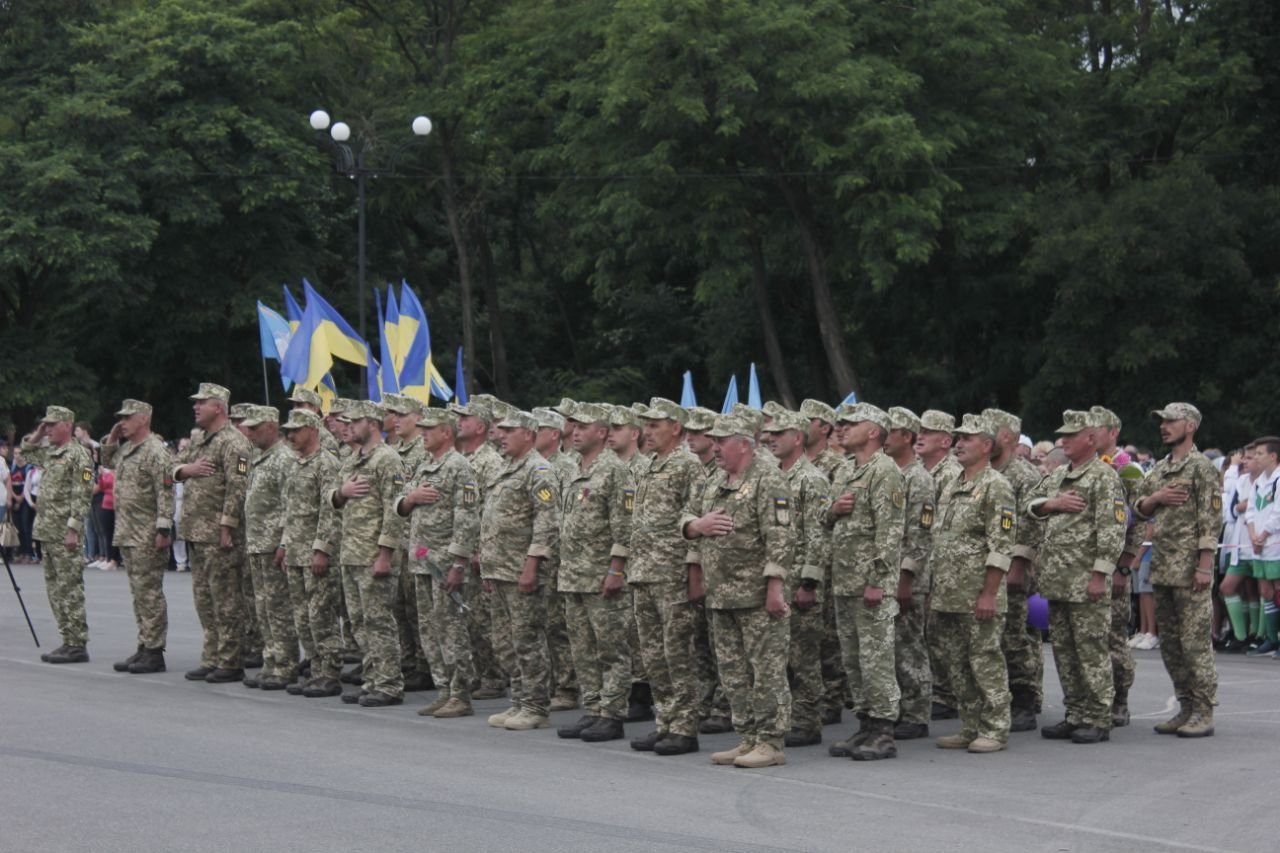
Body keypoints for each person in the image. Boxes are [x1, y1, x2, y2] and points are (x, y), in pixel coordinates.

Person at [682, 411, 795, 768]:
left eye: (721, 441)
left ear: (743, 444)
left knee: (766, 670)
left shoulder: (767, 479)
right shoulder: (713, 480)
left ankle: (771, 741)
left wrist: (775, 587)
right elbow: (684, 515)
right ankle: (747, 737)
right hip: (722, 594)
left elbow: (782, 538)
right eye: (712, 441)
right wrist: (695, 526)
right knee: (732, 671)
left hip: (756, 595)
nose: (714, 447)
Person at [1028, 410, 1127, 745]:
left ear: (1090, 438)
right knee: (1065, 652)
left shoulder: (1103, 476)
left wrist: (1101, 574)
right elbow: (1031, 505)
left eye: (1071, 435)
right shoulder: (1059, 477)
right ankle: (1075, 713)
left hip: (1085, 580)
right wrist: (1052, 504)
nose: (1063, 441)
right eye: (1062, 436)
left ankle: (1098, 716)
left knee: (1091, 651)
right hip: (1057, 579)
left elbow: (1112, 531)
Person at [930, 414, 1017, 753]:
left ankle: (995, 727)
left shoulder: (996, 485)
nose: (959, 443)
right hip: (949, 593)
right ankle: (970, 725)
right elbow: (942, 540)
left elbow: (1001, 545)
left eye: (967, 438)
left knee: (984, 659)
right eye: (958, 438)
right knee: (957, 662)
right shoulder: (953, 483)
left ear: (986, 445)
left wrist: (989, 593)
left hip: (978, 593)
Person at [1133, 403, 1220, 738]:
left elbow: (1210, 520)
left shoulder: (1201, 467)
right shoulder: (1159, 469)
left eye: (1171, 421)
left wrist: (1204, 567)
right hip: (1163, 567)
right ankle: (1185, 706)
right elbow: (1139, 510)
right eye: (1162, 422)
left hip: (1189, 570)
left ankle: (1204, 710)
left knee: (1195, 644)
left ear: (1191, 426)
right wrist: (1155, 498)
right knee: (1170, 645)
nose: (1164, 427)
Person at [825, 403, 906, 761]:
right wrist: (833, 510)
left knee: (876, 659)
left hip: (869, 583)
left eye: (851, 424)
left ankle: (884, 729)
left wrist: (878, 579)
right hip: (844, 580)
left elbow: (890, 532)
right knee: (854, 658)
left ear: (873, 431)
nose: (842, 430)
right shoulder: (845, 470)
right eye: (840, 425)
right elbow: (823, 520)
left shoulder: (884, 471)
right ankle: (865, 725)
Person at [627, 398, 707, 756]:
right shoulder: (649, 465)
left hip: (672, 573)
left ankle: (685, 727)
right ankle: (665, 722)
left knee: (678, 654)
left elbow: (695, 519)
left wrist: (693, 571)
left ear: (676, 427)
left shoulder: (688, 465)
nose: (648, 431)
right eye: (646, 425)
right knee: (653, 655)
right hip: (644, 572)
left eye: (655, 425)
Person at [554, 402, 635, 743]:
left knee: (611, 647)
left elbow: (625, 525)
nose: (575, 432)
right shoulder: (573, 467)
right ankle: (593, 708)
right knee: (582, 648)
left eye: (583, 427)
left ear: (602, 432)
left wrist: (616, 570)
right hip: (573, 574)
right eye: (574, 427)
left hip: (602, 575)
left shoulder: (614, 471)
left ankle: (613, 713)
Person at [480, 410, 560, 731]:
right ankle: (518, 701)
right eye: (501, 430)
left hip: (521, 570)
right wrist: (487, 566)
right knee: (505, 642)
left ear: (528, 434)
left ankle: (535, 705)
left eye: (509, 430)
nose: (501, 435)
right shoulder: (505, 467)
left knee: (527, 640)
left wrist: (532, 565)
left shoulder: (538, 470)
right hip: (499, 569)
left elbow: (547, 522)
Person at [397, 407, 480, 718]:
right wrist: (411, 498)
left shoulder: (458, 467)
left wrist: (458, 563)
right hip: (421, 559)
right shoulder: (424, 466)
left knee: (451, 629)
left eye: (429, 428)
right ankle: (443, 689)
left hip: (443, 563)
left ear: (446, 433)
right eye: (422, 428)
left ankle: (460, 693)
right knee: (429, 628)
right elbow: (402, 503)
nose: (423, 433)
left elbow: (467, 518)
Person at [328, 401, 407, 708]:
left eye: (354, 421)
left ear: (372, 424)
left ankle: (388, 683)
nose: (348, 426)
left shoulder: (387, 459)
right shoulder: (351, 459)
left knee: (379, 621)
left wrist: (385, 554)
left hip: (374, 554)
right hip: (351, 553)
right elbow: (333, 498)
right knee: (359, 622)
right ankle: (372, 679)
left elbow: (395, 510)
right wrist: (341, 493)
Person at [174, 383, 253, 683]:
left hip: (219, 534)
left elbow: (239, 486)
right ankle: (212, 656)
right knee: (204, 599)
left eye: (201, 402)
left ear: (218, 406)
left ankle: (231, 660)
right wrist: (186, 470)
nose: (195, 406)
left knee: (226, 599)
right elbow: (174, 466)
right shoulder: (200, 440)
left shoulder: (234, 442)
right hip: (197, 531)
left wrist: (227, 526)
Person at [762, 410, 832, 748]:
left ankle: (807, 720)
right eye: (770, 433)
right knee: (778, 654)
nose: (771, 438)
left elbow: (818, 534)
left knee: (803, 655)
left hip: (800, 579)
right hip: (775, 577)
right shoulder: (771, 476)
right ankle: (785, 716)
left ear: (799, 438)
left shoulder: (812, 479)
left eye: (780, 433)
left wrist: (809, 583)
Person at [983, 408, 1045, 734]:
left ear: (1006, 436)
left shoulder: (1024, 475)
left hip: (1014, 568)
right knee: (992, 637)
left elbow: (1033, 525)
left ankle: (1024, 700)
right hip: (987, 567)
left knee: (1016, 636)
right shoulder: (985, 472)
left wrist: (1019, 563)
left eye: (988, 432)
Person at [102, 399, 174, 674]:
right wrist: (112, 437)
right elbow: (107, 460)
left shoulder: (156, 451)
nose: (122, 421)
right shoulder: (127, 449)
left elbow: (165, 493)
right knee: (138, 593)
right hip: (127, 531)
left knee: (150, 593)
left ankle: (155, 651)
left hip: (146, 533)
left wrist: (163, 529)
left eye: (127, 417)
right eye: (121, 417)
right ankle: (144, 644)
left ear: (143, 419)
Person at [21, 406, 94, 664]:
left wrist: (73, 529)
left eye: (52, 424)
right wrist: (39, 432)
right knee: (54, 589)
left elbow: (83, 493)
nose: (48, 428)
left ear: (67, 425)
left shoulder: (80, 456)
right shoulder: (51, 452)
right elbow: (26, 453)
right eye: (46, 425)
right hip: (47, 531)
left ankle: (77, 643)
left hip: (65, 533)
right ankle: (67, 639)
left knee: (70, 589)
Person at [278, 409, 343, 698]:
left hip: (315, 554)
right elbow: (288, 510)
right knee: (303, 616)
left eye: (296, 430)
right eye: (288, 430)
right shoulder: (294, 464)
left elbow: (331, 511)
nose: (290, 435)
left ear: (313, 430)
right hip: (295, 551)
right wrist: (283, 545)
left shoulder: (326, 464)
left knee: (321, 616)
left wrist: (322, 549)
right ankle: (315, 668)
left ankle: (329, 672)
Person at [884, 407, 935, 741]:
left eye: (891, 431)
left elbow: (921, 534)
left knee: (908, 645)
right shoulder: (888, 473)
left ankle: (916, 712)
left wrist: (907, 576)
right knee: (890, 647)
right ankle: (898, 706)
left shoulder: (918, 478)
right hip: (886, 574)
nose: (885, 437)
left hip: (908, 578)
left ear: (907, 437)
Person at [241, 406, 300, 690]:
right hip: (257, 543)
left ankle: (286, 664)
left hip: (273, 543)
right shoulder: (259, 457)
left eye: (254, 428)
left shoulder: (284, 458)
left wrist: (285, 543)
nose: (248, 432)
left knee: (278, 608)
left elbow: (291, 506)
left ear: (271, 427)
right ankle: (271, 662)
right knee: (263, 607)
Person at [1243, 437, 1280, 655]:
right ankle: (1271, 638)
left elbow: (1278, 512)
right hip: (1259, 543)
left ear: (1273, 456)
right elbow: (1250, 511)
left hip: (1274, 542)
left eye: (1259, 454)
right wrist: (1253, 535)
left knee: (1277, 589)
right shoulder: (1259, 481)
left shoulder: (1278, 480)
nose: (1256, 457)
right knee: (1265, 590)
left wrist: (1264, 534)